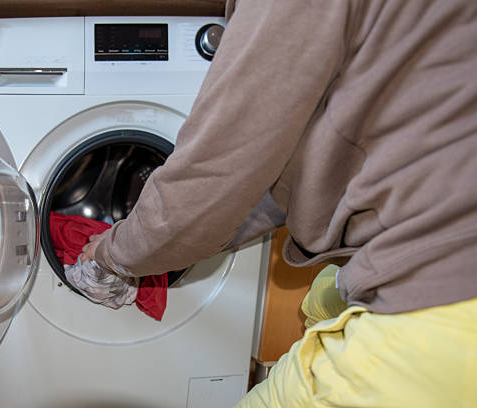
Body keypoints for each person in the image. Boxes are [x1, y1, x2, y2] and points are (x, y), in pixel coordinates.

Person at [81, 0, 477, 406]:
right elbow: (275, 180)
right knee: (321, 297)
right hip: (444, 249)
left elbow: (211, 174)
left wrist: (110, 255)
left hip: (442, 304)